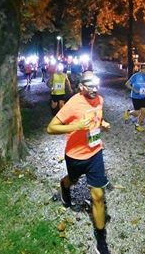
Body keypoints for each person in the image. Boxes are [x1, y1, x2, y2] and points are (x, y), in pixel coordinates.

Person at [47, 71, 111, 254]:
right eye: (91, 86)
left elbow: (96, 118)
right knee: (73, 180)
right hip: (76, 156)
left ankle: (101, 239)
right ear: (81, 87)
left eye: (97, 85)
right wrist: (76, 126)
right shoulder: (73, 103)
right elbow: (51, 128)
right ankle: (64, 185)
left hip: (96, 152)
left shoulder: (100, 99)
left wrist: (103, 123)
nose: (95, 89)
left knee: (98, 196)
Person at [124, 62, 145, 132]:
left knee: (144, 112)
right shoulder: (135, 76)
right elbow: (127, 84)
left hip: (143, 96)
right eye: (143, 69)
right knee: (138, 113)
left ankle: (137, 125)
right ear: (140, 69)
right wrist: (134, 90)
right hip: (135, 97)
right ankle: (128, 112)